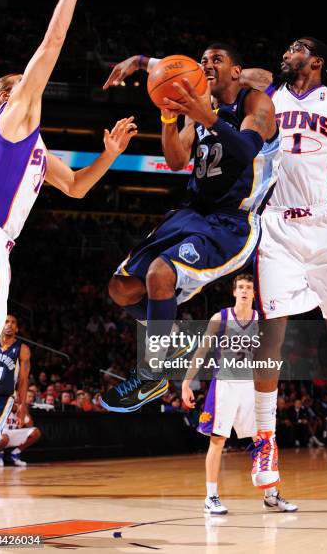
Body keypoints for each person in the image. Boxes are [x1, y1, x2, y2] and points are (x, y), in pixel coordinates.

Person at [112, 40, 327, 481]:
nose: (288, 51)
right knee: (270, 338)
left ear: (316, 61)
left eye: (297, 48)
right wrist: (143, 61)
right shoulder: (261, 86)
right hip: (275, 223)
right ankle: (265, 439)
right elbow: (195, 73)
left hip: (325, 222)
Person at [0, 0, 134, 522]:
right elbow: (51, 46)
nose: (30, 85)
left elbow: (75, 188)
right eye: (19, 83)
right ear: (4, 97)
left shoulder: (35, 147)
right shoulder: (13, 118)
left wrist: (111, 155)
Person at [101, 43, 281, 412]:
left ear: (236, 71)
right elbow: (175, 159)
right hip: (191, 212)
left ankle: (152, 373)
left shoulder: (256, 103)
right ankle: (174, 340)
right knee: (121, 289)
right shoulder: (197, 108)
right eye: (203, 61)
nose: (206, 65)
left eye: (217, 60)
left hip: (232, 221)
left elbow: (246, 150)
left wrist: (207, 115)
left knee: (158, 273)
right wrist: (169, 117)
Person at [182, 273, 297, 514]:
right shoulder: (220, 318)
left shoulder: (261, 320)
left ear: (255, 294)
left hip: (250, 387)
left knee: (263, 440)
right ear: (234, 292)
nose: (244, 291)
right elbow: (201, 352)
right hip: (224, 385)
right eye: (241, 287)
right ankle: (210, 497)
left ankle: (271, 496)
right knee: (217, 440)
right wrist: (186, 383)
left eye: (249, 288)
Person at [0, 315, 31, 494]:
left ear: (17, 328)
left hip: (3, 398)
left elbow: (23, 380)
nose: (9, 325)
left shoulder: (22, 349)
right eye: (6, 322)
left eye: (13, 322)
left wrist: (22, 405)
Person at [0, 399, 42, 467]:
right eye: (13, 401)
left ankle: (15, 453)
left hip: (14, 433)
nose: (15, 403)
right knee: (4, 437)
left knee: (36, 432)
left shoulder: (21, 409)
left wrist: (24, 412)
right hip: (2, 434)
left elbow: (30, 425)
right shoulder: (2, 407)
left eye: (17, 402)